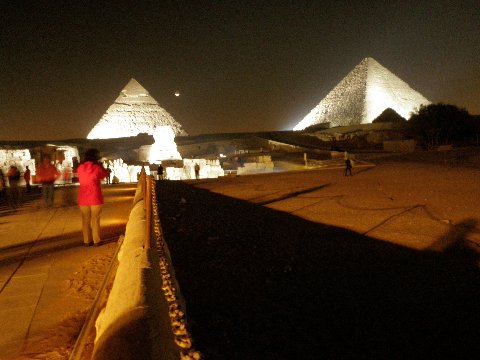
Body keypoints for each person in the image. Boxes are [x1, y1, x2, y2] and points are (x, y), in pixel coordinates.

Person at [77, 148, 109, 246]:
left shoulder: (80, 168)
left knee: (85, 220)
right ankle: (96, 240)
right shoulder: (97, 168)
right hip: (95, 197)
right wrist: (101, 166)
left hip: (83, 198)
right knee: (95, 219)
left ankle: (86, 241)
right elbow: (105, 175)